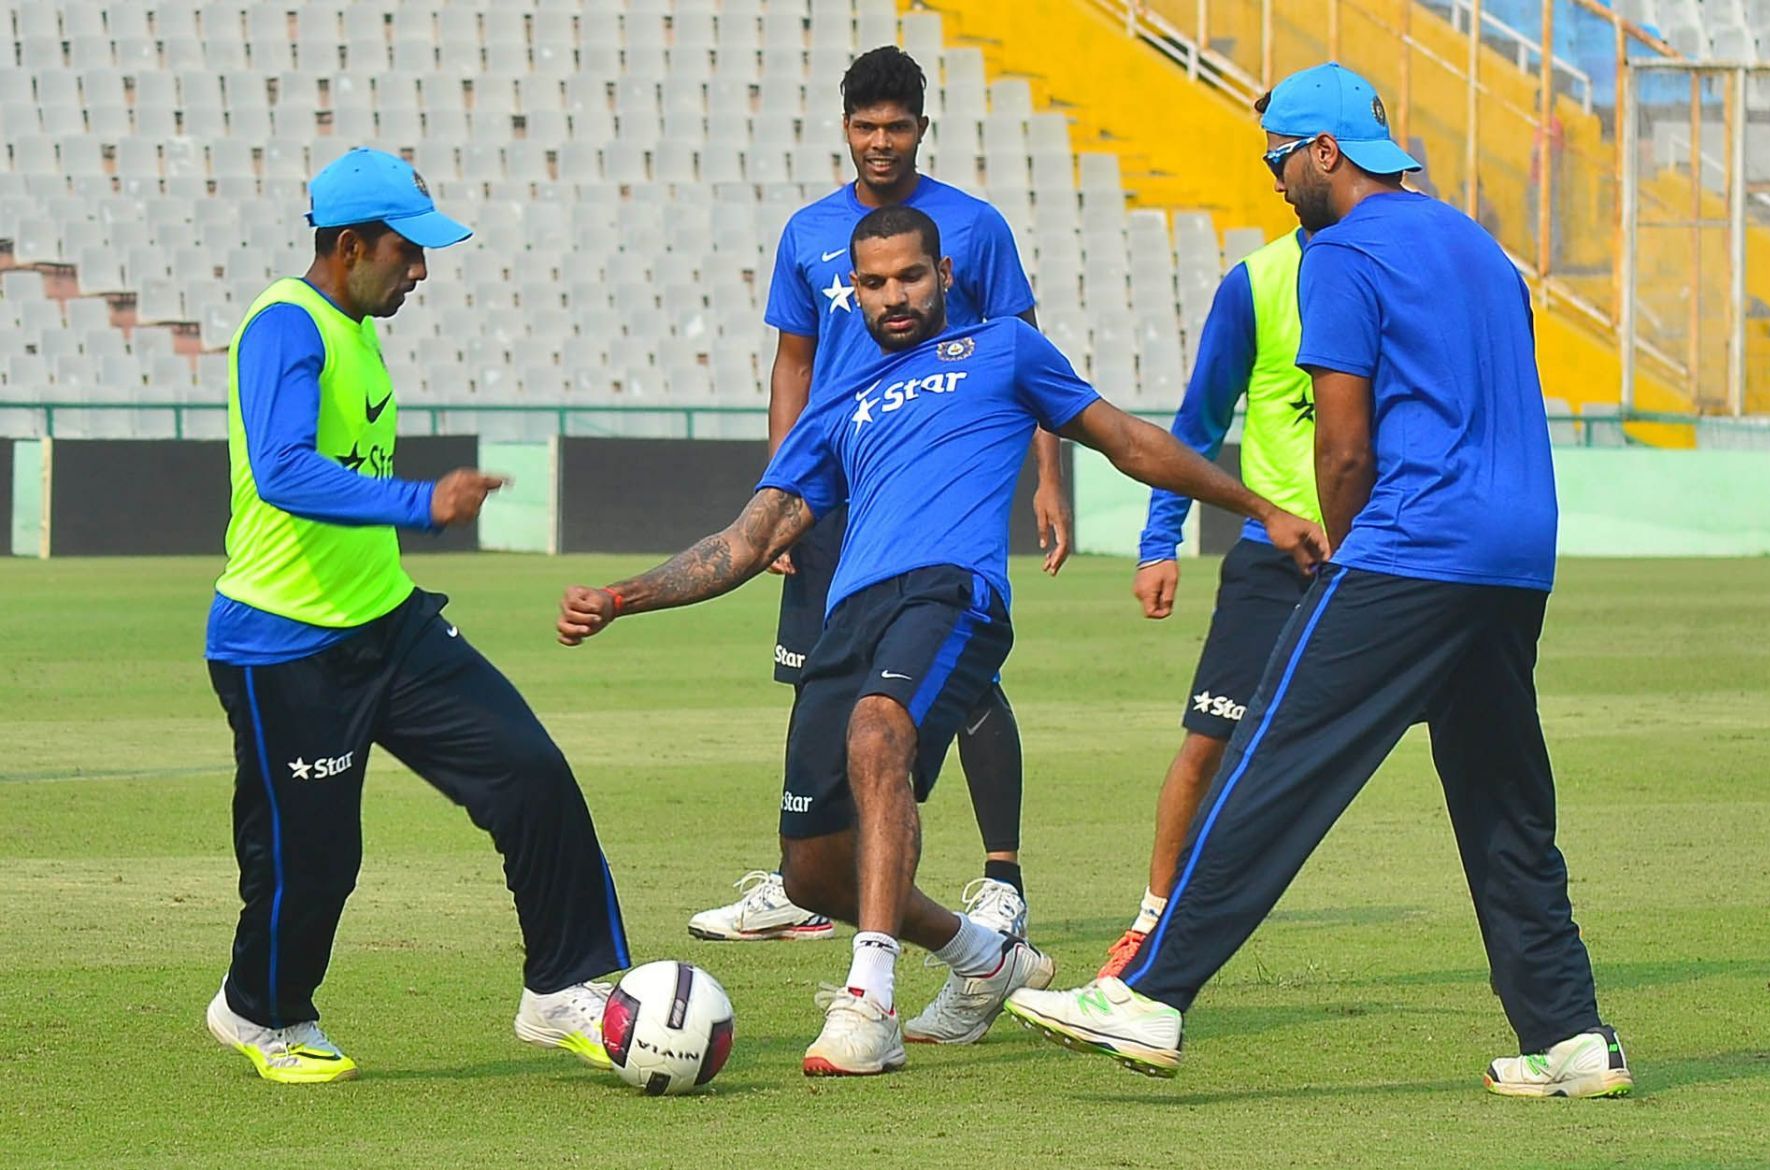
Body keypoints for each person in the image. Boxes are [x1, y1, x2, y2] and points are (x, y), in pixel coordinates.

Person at [556, 206, 1324, 1078]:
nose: (893, 296)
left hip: (952, 591)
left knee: (879, 730)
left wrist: (1260, 509)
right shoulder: (836, 404)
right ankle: (985, 958)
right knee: (811, 875)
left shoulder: (1007, 350)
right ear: (853, 292)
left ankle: (868, 1003)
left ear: (943, 274)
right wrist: (624, 596)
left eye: (909, 277)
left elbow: (1130, 442)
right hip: (849, 616)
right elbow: (747, 540)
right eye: (873, 284)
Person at [1006, 63, 1634, 1100]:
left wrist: (1351, 552)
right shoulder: (1479, 246)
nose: (1273, 179)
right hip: (1518, 557)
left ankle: (1150, 995)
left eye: (1278, 158)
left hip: (1411, 545)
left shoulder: (1339, 257)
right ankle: (1570, 1035)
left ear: (1325, 154)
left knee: (1273, 759)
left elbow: (1343, 448)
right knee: (1500, 794)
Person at [202, 148, 630, 1084]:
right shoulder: (288, 326)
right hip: (283, 646)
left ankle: (568, 986)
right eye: (408, 252)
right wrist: (419, 503)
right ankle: (257, 1011)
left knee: (530, 771)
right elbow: (279, 471)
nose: (423, 271)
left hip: (388, 625)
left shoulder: (357, 327)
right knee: (314, 861)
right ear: (350, 246)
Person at [689, 46, 1066, 1037]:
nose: (882, 143)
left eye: (898, 127)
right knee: (832, 686)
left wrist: (1047, 479)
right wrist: (776, 492)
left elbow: (1024, 349)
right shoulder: (808, 233)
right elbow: (793, 360)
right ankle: (814, 876)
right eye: (867, 128)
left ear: (921, 130)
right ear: (845, 130)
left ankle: (998, 881)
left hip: (930, 474)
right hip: (829, 480)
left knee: (945, 687)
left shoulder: (970, 228)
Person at [1097, 99, 1319, 983]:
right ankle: (1152, 924)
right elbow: (1198, 421)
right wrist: (1161, 539)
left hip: (1390, 558)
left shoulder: (1408, 271)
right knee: (1208, 741)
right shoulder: (1259, 282)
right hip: (1279, 556)